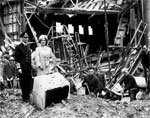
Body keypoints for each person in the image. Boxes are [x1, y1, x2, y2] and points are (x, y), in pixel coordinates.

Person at [14, 32, 32, 102]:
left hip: (28, 68)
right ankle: (24, 98)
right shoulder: (18, 47)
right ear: (21, 38)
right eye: (24, 37)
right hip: (22, 68)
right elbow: (16, 59)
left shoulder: (28, 48)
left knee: (28, 82)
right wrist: (19, 68)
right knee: (23, 83)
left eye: (27, 37)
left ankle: (27, 97)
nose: (26, 39)